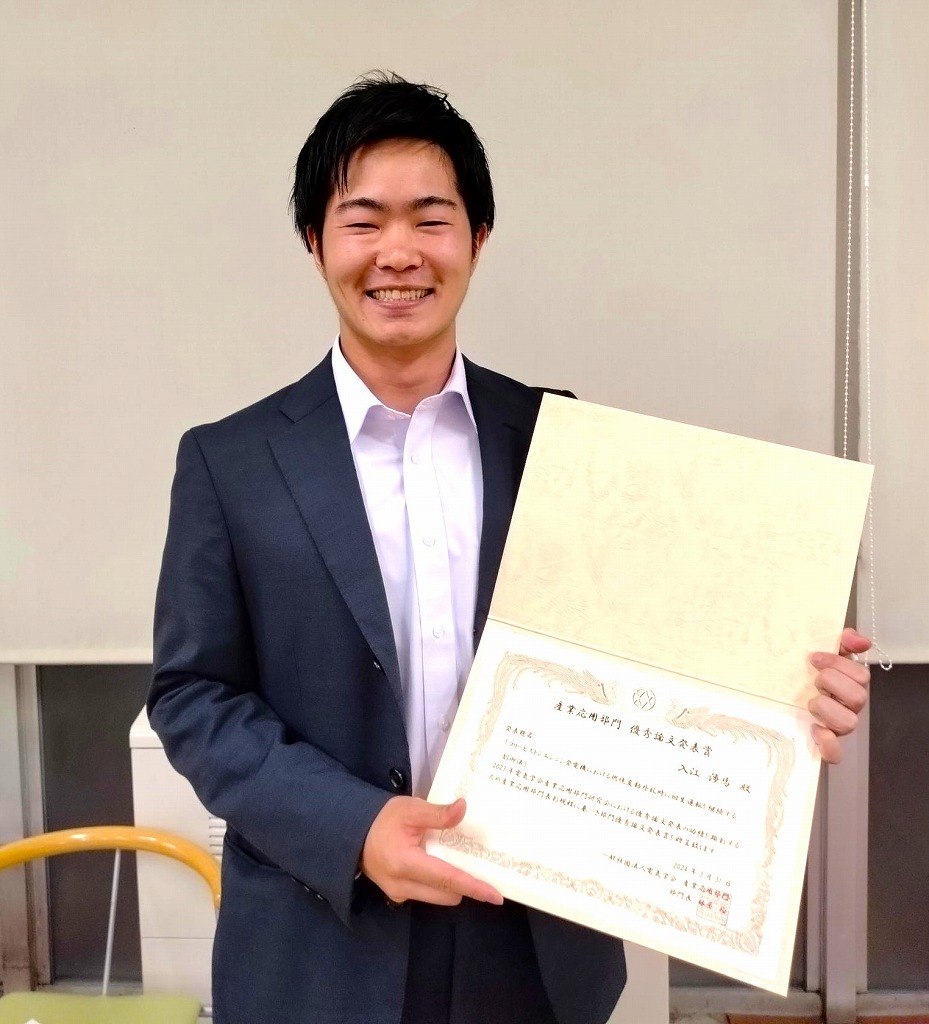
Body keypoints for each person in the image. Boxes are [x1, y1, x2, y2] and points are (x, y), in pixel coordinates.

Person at [148, 72, 872, 1024]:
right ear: (314, 241)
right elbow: (193, 695)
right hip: (321, 938)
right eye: (363, 221)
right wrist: (354, 827)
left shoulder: (561, 444)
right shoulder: (230, 461)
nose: (398, 252)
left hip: (532, 944)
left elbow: (657, 647)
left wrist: (786, 690)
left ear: (478, 238)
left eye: (431, 219)